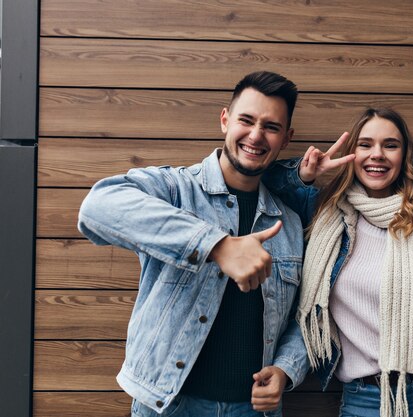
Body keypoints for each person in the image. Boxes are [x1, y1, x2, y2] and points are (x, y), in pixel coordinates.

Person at [78, 71, 309, 417]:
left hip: (253, 409)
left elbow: (305, 318)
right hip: (168, 405)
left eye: (271, 127)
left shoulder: (287, 223)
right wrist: (217, 245)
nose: (256, 135)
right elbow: (97, 208)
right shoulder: (175, 190)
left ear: (286, 138)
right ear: (224, 120)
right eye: (246, 120)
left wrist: (286, 368)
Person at [264, 107, 413, 417]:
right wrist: (304, 174)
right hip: (362, 400)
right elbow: (262, 177)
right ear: (352, 154)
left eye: (390, 145)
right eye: (365, 145)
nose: (378, 154)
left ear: (404, 156)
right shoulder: (323, 214)